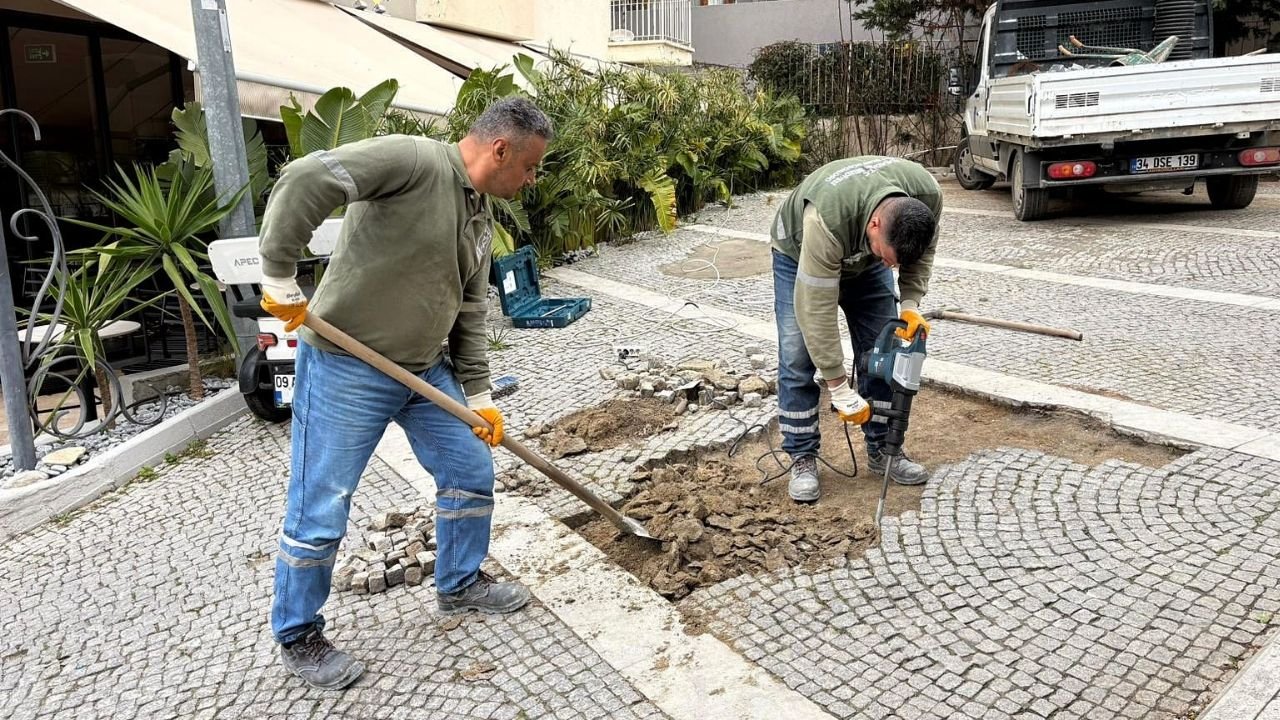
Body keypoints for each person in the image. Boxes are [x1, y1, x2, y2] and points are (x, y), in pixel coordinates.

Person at [256, 97, 553, 690]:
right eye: (531, 166)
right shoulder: (411, 159)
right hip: (348, 367)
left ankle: (459, 582)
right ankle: (297, 633)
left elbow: (469, 310)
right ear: (500, 150)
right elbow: (308, 176)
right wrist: (278, 273)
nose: (532, 178)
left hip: (425, 372)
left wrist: (480, 394)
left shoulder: (478, 216)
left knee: (470, 468)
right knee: (322, 505)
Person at [770, 155, 941, 503]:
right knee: (797, 354)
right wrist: (838, 385)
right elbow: (816, 311)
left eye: (893, 263)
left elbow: (921, 254)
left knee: (884, 348)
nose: (890, 266)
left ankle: (882, 450)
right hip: (799, 252)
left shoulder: (926, 196)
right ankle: (802, 456)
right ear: (876, 223)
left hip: (860, 256)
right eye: (888, 257)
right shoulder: (827, 218)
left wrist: (909, 304)